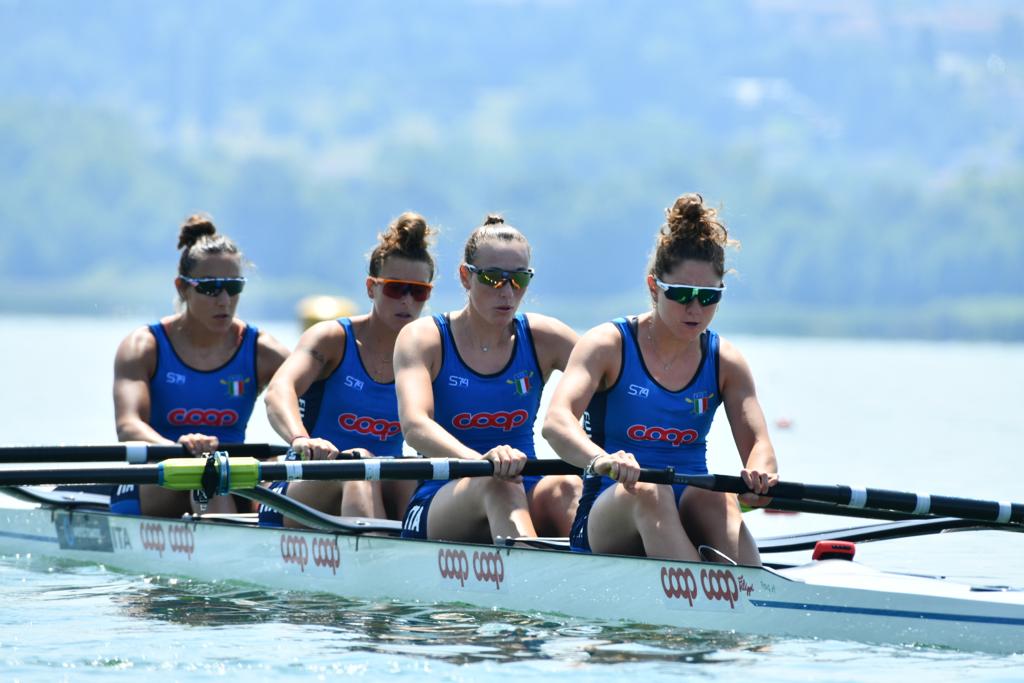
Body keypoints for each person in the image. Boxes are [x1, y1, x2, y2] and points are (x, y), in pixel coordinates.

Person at [542, 193, 777, 564]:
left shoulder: (725, 361)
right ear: (654, 287)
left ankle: (746, 597)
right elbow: (556, 423)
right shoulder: (608, 345)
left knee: (715, 495)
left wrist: (761, 474)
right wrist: (603, 459)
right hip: (611, 509)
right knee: (651, 490)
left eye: (708, 297)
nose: (695, 308)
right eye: (682, 294)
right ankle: (703, 599)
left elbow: (759, 444)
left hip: (690, 505)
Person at [396, 215, 581, 543]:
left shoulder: (545, 337)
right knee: (499, 484)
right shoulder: (424, 338)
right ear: (466, 277)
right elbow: (415, 427)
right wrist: (480, 462)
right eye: (494, 278)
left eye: (519, 280)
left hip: (523, 486)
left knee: (568, 486)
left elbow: (616, 384)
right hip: (442, 497)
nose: (508, 292)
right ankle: (528, 574)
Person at [260, 212, 437, 527]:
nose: (407, 301)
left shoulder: (430, 350)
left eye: (418, 291)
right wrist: (300, 438)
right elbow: (278, 391)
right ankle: (375, 564)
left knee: (409, 477)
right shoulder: (332, 339)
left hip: (381, 486)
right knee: (359, 465)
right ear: (371, 288)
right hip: (302, 487)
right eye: (396, 289)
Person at [112, 214, 289, 516]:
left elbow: (313, 401)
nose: (224, 300)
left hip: (235, 473)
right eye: (210, 288)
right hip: (162, 473)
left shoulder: (263, 350)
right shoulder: (145, 346)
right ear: (182, 287)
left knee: (244, 474)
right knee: (205, 476)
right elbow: (128, 425)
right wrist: (179, 447)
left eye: (234, 287)